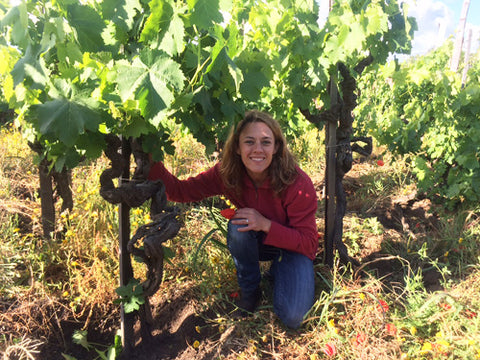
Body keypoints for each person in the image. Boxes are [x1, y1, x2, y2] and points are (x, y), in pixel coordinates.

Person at [148, 110, 318, 329]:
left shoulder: (297, 184)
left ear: (276, 147)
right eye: (249, 142)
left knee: (294, 317)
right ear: (237, 147)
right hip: (259, 242)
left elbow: (309, 243)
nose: (258, 149)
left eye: (266, 142)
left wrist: (265, 224)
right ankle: (250, 292)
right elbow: (181, 191)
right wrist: (149, 158)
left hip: (294, 248)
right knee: (238, 230)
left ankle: (279, 270)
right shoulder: (227, 174)